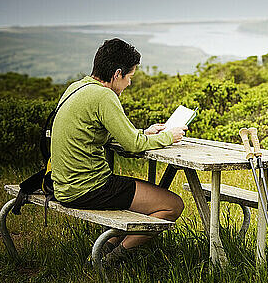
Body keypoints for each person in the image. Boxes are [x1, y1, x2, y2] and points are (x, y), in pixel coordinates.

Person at [50, 38, 187, 266]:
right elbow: (132, 145)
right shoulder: (105, 96)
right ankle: (113, 259)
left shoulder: (77, 87)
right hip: (88, 188)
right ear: (117, 74)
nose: (129, 84)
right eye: (130, 77)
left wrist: (144, 133)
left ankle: (104, 249)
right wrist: (168, 137)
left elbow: (107, 133)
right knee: (172, 205)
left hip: (62, 185)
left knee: (146, 198)